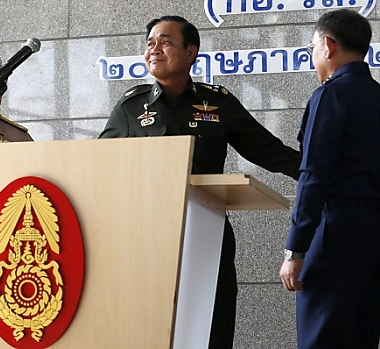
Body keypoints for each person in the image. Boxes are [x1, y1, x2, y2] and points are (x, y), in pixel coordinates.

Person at [98, 15, 301, 348]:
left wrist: (319, 174)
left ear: (191, 52)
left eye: (165, 42)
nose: (154, 50)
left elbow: (269, 152)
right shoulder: (131, 108)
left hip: (207, 226)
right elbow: (100, 165)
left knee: (214, 318)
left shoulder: (217, 102)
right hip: (147, 231)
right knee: (152, 318)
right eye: (150, 43)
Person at [279, 9, 380, 348]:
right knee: (362, 335)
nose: (312, 57)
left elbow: (314, 176)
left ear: (328, 45)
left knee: (321, 337)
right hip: (374, 235)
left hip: (336, 232)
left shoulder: (331, 94)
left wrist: (295, 249)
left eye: (311, 48)